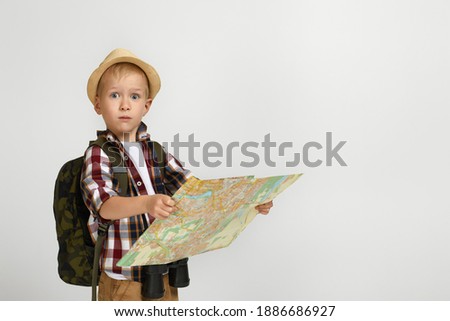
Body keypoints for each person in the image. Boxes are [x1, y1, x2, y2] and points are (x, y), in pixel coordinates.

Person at [80, 48, 274, 301]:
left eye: (135, 97)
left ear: (147, 106)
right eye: (114, 95)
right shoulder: (99, 154)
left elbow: (198, 193)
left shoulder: (156, 153)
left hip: (162, 274)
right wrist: (147, 203)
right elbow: (104, 206)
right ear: (97, 104)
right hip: (123, 280)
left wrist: (248, 200)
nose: (125, 104)